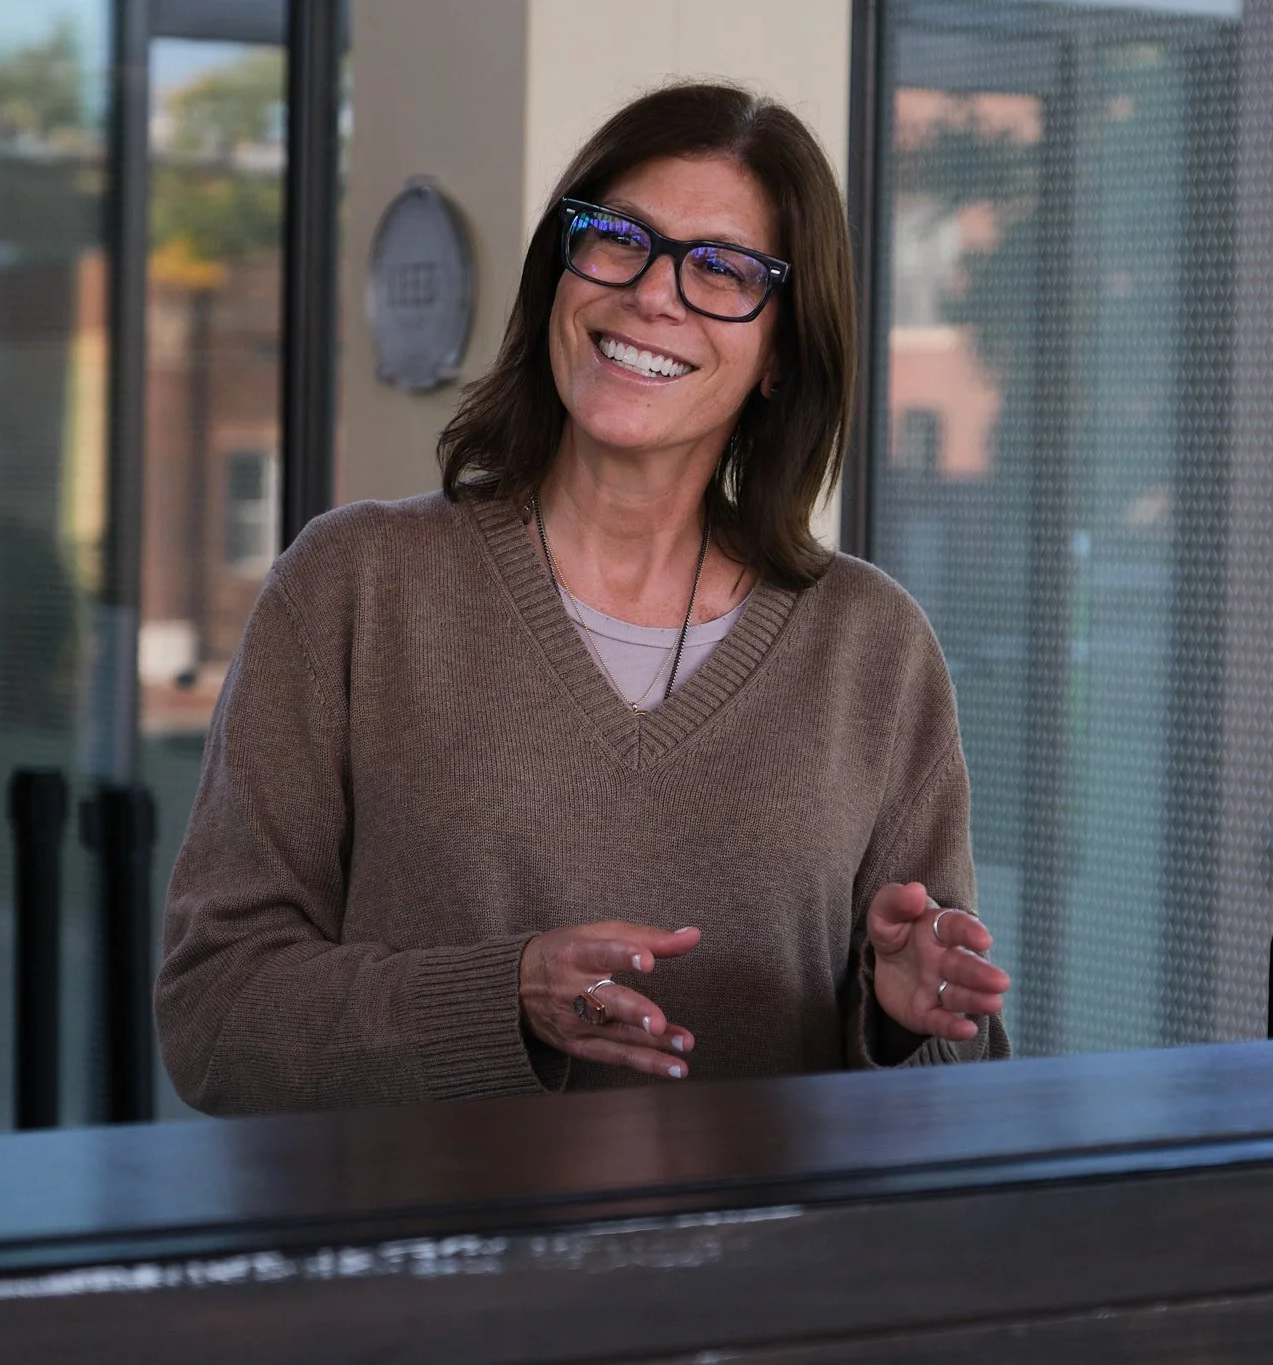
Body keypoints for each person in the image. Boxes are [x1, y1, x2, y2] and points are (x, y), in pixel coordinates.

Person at [155, 82, 1012, 1116]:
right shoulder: (351, 588)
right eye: (617, 239)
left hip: (757, 1276)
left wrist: (896, 1021)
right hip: (432, 1274)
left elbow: (964, 1087)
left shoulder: (871, 650)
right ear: (560, 271)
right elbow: (215, 1020)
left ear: (781, 352)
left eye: (723, 269)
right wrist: (498, 1001)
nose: (655, 294)